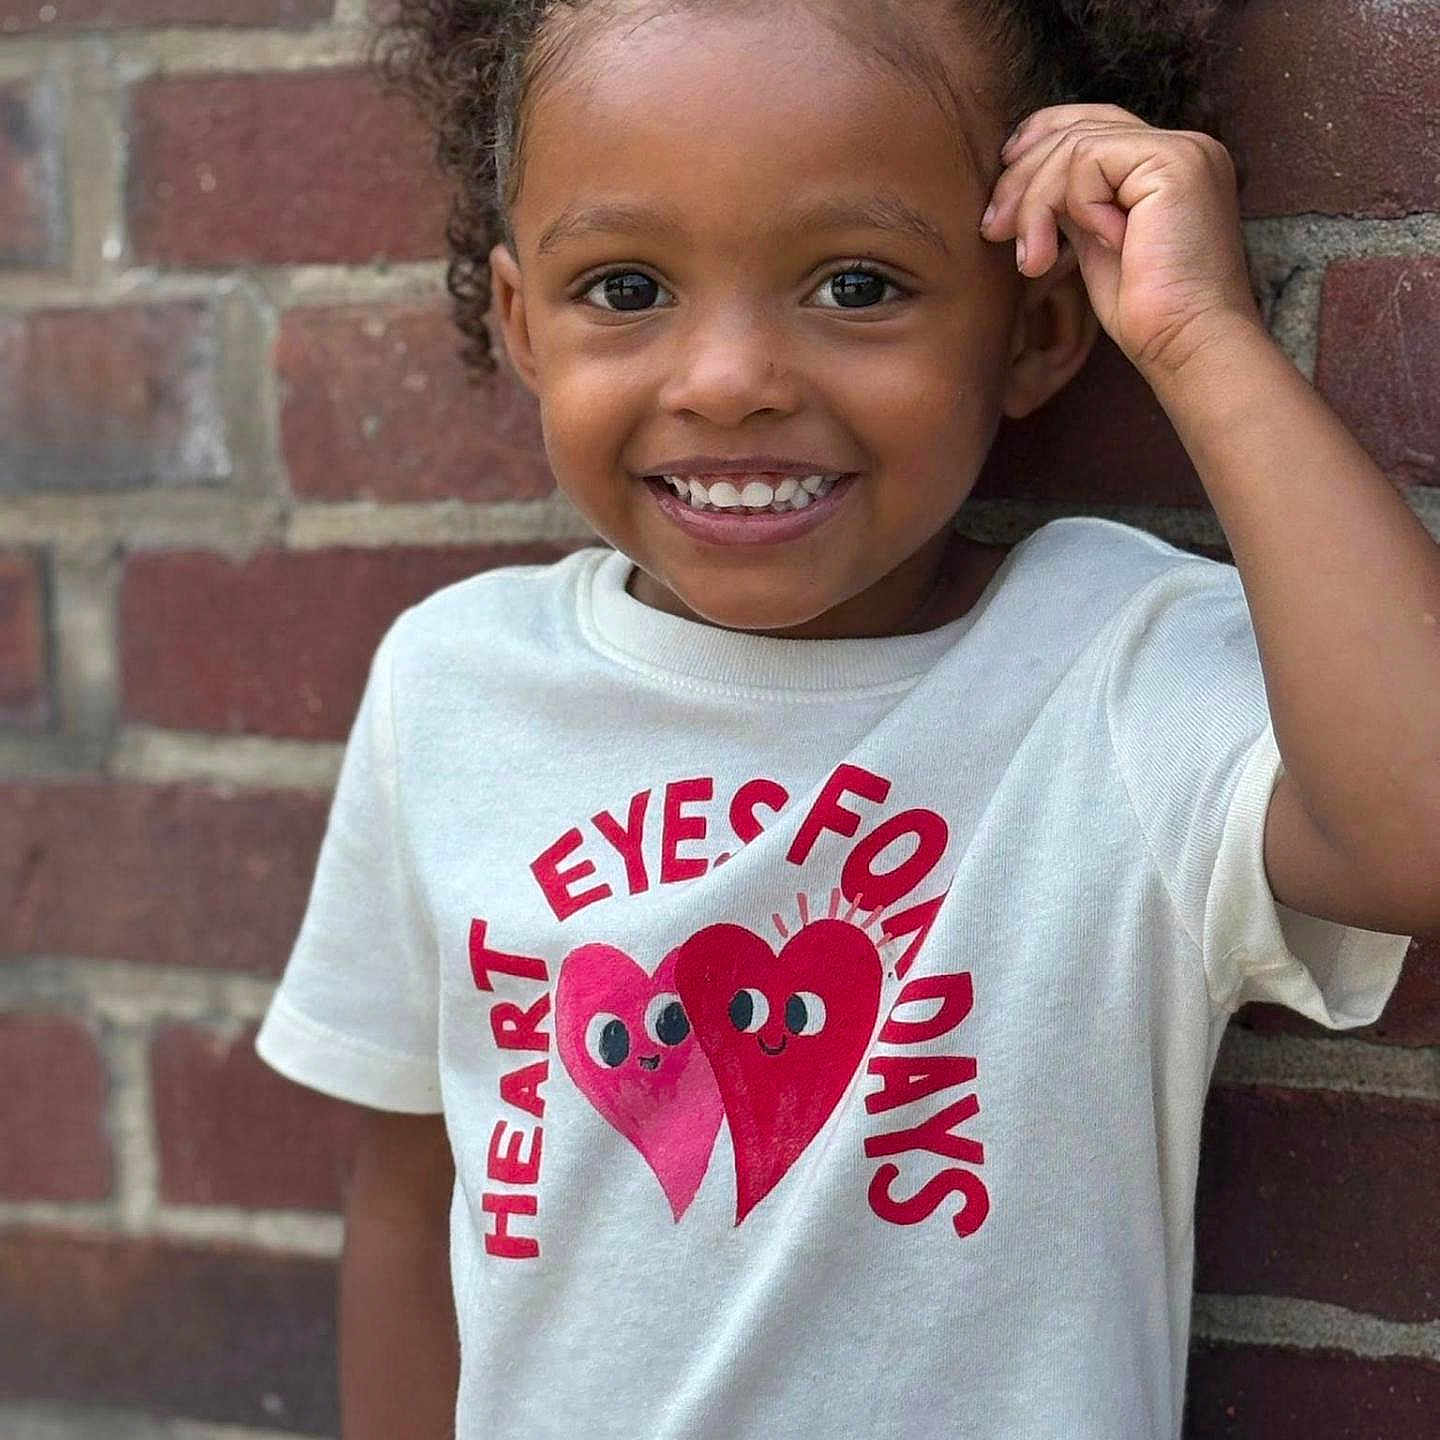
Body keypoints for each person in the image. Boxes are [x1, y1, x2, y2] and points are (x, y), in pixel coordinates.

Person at [255, 1, 1439, 1435]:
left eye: (858, 284)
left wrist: (1199, 338)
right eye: (627, 289)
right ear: (519, 322)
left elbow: (1413, 833)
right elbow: (408, 1197)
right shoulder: (453, 686)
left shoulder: (1108, 677)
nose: (730, 380)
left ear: (1040, 322)